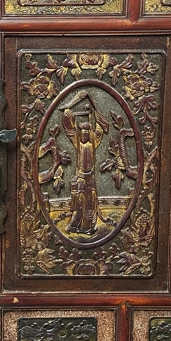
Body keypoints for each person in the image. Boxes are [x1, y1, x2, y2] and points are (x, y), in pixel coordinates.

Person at [61, 92, 108, 236]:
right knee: (79, 204)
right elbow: (68, 123)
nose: (83, 135)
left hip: (90, 178)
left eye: (86, 133)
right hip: (80, 177)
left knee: (90, 205)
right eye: (81, 132)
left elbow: (101, 127)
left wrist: (95, 112)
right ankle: (73, 225)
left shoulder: (93, 142)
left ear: (89, 133)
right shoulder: (77, 141)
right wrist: (69, 108)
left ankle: (87, 228)